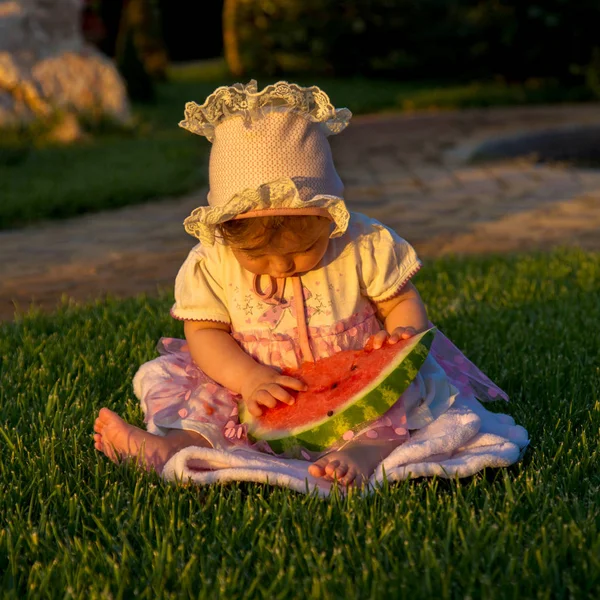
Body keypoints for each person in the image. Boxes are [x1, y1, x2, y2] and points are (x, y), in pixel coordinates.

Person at [93, 80, 508, 486]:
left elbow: (399, 298)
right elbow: (203, 330)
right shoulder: (212, 262)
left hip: (351, 375)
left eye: (301, 249)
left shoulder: (362, 243)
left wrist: (402, 335)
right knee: (210, 406)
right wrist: (247, 378)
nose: (280, 266)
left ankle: (363, 454)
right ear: (225, 229)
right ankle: (174, 447)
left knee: (394, 405)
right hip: (251, 382)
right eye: (257, 256)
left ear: (328, 218)